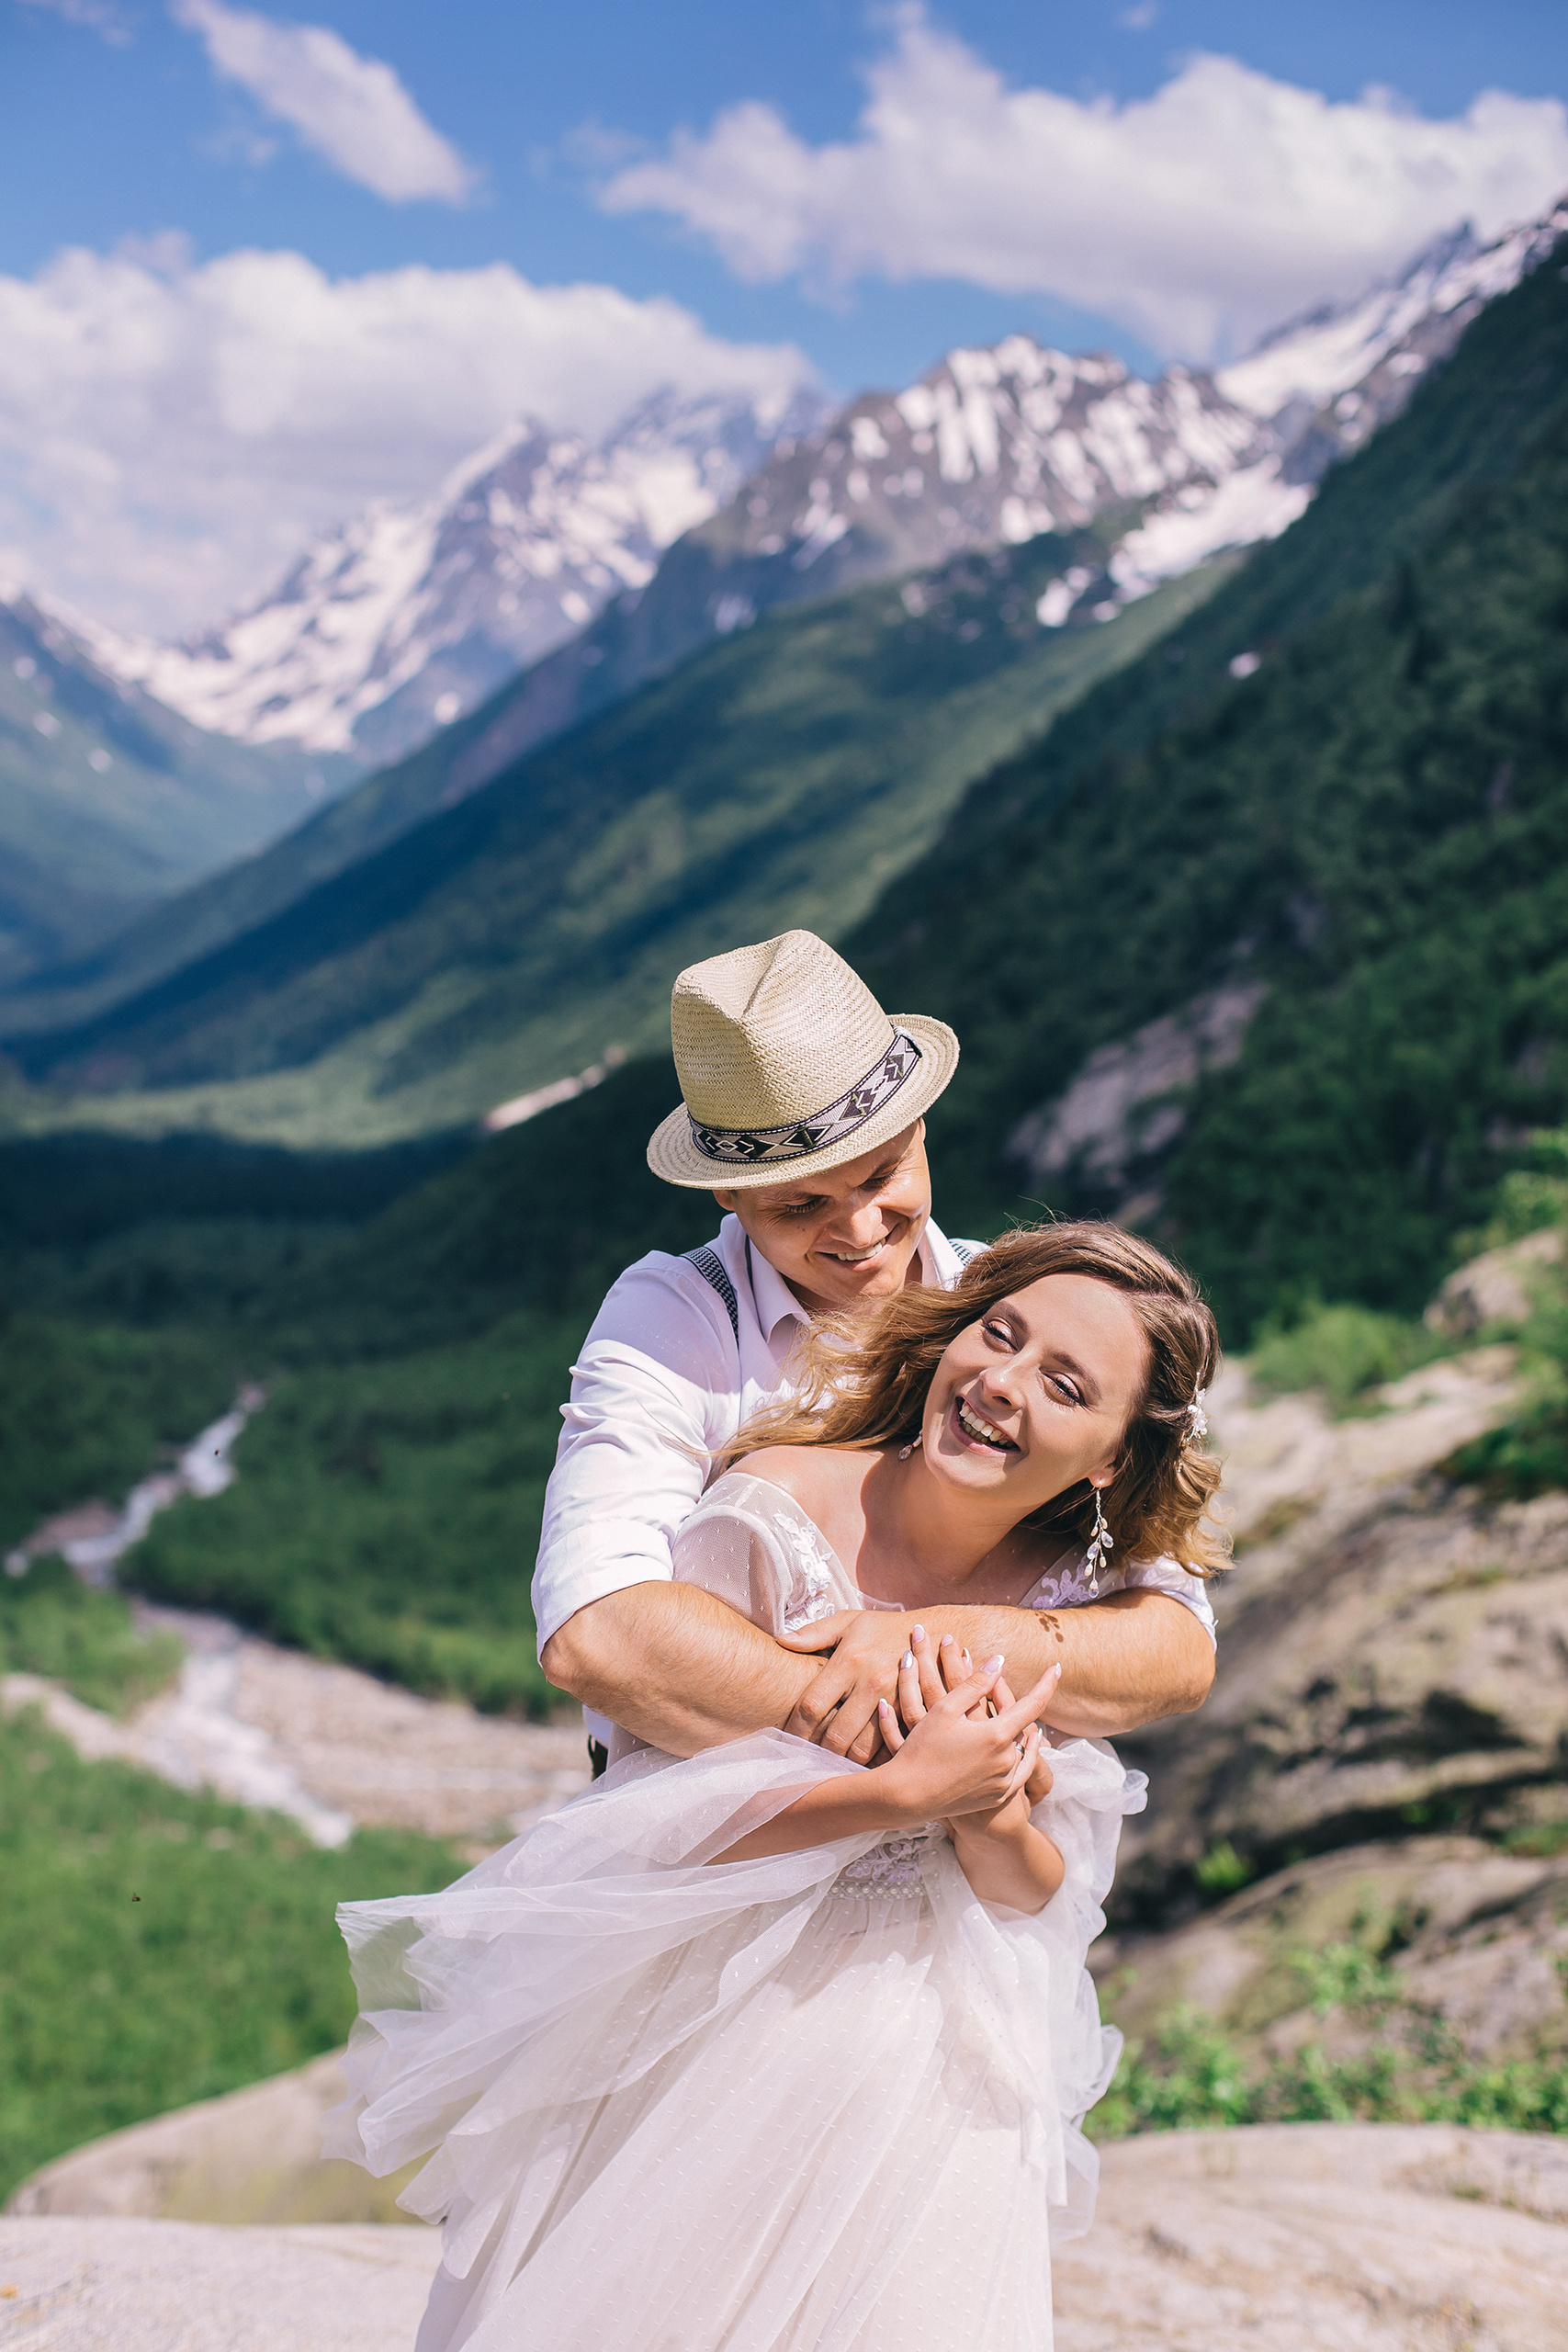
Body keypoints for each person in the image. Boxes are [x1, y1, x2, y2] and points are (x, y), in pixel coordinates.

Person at [327, 1222, 1226, 2352]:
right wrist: (897, 1796)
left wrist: (990, 1809)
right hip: (724, 2028)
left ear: (1109, 1461)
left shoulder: (1068, 1605)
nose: (1002, 1383)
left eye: (1064, 1385)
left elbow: (1036, 1892)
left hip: (937, 2068)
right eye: (998, 1336)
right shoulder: (772, 1512)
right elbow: (655, 1834)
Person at [535, 928, 1216, 1772]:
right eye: (799, 1205)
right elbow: (594, 1631)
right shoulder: (674, 1316)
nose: (859, 1232)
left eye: (880, 1176)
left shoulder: (1010, 1312)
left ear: (920, 1127)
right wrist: (915, 1761)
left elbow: (1177, 1649)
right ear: (728, 1191)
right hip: (717, 1814)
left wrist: (932, 1640)